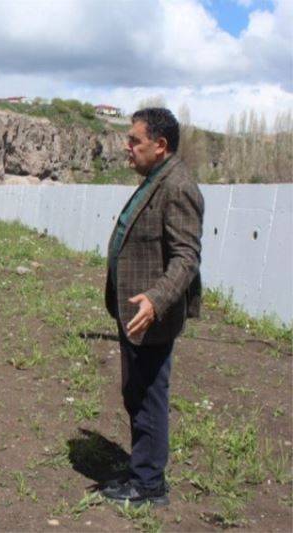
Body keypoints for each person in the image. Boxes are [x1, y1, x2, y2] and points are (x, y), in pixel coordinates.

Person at [101, 107, 203, 506]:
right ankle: (141, 469)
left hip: (150, 315)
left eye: (134, 141)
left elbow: (186, 257)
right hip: (134, 313)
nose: (127, 147)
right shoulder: (155, 179)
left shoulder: (178, 186)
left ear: (159, 146)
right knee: (136, 391)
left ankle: (148, 485)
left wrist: (157, 300)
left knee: (148, 396)